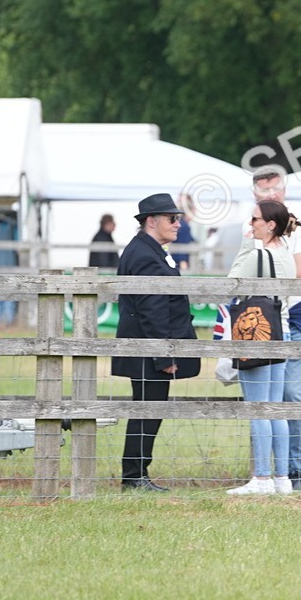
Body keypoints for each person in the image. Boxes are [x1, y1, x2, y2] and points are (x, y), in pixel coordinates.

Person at [112, 194, 201, 491]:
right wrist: (163, 356)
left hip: (147, 348)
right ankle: (134, 476)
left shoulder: (150, 251)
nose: (178, 223)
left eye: (178, 218)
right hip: (148, 350)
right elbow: (152, 309)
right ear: (151, 221)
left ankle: (136, 473)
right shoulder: (145, 255)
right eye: (171, 219)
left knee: (148, 409)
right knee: (147, 411)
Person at [247, 165, 301, 491]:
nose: (270, 195)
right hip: (265, 314)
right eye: (263, 191)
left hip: (299, 312)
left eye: (275, 189)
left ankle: (300, 471)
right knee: (265, 396)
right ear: (255, 194)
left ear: (285, 189)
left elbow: (299, 273)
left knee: (293, 393)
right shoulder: (252, 228)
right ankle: (267, 473)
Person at [225, 199, 299, 496]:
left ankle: (262, 478)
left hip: (256, 333)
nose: (250, 225)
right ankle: (282, 478)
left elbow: (232, 284)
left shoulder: (259, 255)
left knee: (258, 408)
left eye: (255, 220)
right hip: (281, 331)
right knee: (275, 409)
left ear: (270, 225)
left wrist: (246, 247)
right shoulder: (286, 254)